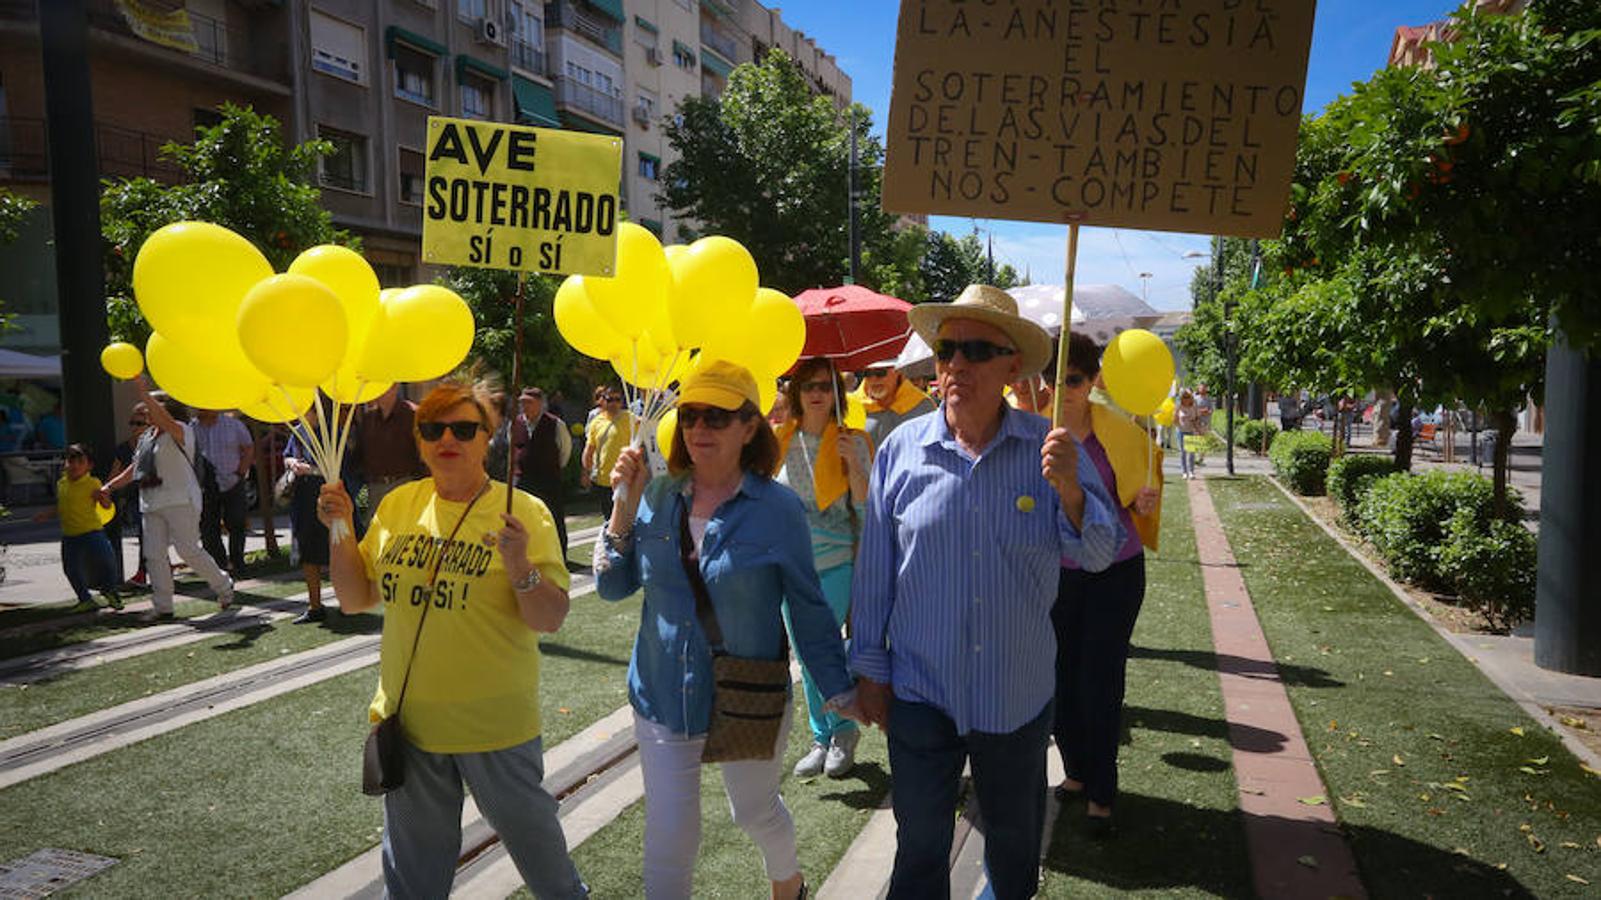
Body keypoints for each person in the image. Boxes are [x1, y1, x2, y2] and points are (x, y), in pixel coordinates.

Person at [850, 284, 1122, 900]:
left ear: (1011, 367)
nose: (957, 365)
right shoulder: (900, 451)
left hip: (1015, 693)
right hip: (921, 688)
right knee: (919, 843)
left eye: (976, 350)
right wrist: (869, 666)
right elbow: (875, 571)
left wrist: (1073, 493)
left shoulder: (1050, 450)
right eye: (947, 349)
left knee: (1013, 840)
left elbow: (1100, 555)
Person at [595, 360, 861, 900]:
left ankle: (789, 884)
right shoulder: (659, 494)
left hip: (747, 694)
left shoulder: (777, 507)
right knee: (671, 837)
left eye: (717, 417)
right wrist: (622, 506)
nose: (699, 429)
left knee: (755, 812)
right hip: (663, 695)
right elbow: (612, 587)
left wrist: (838, 688)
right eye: (691, 415)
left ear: (748, 427)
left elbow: (809, 609)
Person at [319, 379, 587, 899]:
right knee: (413, 884)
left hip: (495, 729)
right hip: (409, 725)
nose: (448, 439)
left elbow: (549, 618)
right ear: (419, 440)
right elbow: (355, 597)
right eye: (433, 428)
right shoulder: (398, 506)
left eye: (464, 429)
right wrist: (342, 528)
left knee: (549, 874)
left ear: (489, 438)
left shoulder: (523, 511)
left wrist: (518, 565)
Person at [1048, 333, 1162, 839]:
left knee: (1099, 680)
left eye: (1073, 379)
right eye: (1054, 378)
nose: (1063, 389)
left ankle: (1102, 790)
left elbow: (1143, 494)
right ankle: (1075, 770)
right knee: (1058, 679)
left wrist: (1146, 500)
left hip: (1114, 574)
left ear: (1092, 381)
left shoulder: (1120, 432)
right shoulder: (1032, 432)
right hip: (1056, 576)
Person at [774, 358, 871, 779]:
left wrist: (854, 466)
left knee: (822, 649)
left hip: (837, 562)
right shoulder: (778, 440)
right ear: (796, 392)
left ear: (837, 393)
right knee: (804, 652)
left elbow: (868, 511)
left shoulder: (855, 440)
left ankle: (843, 730)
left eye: (825, 385)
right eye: (807, 385)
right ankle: (822, 734)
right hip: (790, 566)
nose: (816, 393)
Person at [98, 379, 234, 620]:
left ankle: (224, 586)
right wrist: (108, 487)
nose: (146, 413)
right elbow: (133, 469)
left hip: (181, 500)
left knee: (188, 551)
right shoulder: (146, 438)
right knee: (153, 554)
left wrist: (141, 389)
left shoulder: (182, 430)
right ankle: (163, 607)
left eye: (152, 409)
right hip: (151, 503)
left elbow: (164, 419)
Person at [35, 444, 122, 611]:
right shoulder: (62, 483)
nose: (74, 465)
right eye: (70, 461)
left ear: (89, 466)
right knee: (71, 568)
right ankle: (85, 599)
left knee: (107, 561)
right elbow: (62, 506)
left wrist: (103, 498)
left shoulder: (93, 483)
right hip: (70, 535)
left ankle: (110, 590)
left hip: (93, 532)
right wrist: (46, 514)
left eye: (80, 462)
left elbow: (106, 506)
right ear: (65, 463)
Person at [510, 387, 572, 556]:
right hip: (523, 480)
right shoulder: (516, 424)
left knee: (554, 518)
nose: (525, 406)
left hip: (548, 480)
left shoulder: (555, 424)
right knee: (523, 519)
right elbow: (512, 449)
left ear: (540, 403)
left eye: (529, 402)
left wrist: (553, 468)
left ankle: (560, 555)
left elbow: (565, 450)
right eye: (522, 402)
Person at [193, 409, 255, 575]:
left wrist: (241, 472)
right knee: (208, 528)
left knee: (237, 524)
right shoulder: (191, 428)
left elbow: (248, 448)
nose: (198, 409)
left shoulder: (233, 425)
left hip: (232, 482)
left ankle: (237, 563)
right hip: (205, 486)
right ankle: (219, 566)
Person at [353, 386, 425, 519]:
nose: (378, 392)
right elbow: (359, 456)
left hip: (405, 486)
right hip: (375, 489)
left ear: (394, 387)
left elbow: (425, 457)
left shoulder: (413, 415)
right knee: (378, 535)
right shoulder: (368, 420)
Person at [284, 433, 332, 624]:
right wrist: (292, 463)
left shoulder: (329, 430)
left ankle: (347, 602)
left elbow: (337, 468)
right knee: (307, 553)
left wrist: (310, 470)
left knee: (334, 551)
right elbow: (286, 455)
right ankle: (315, 606)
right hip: (301, 501)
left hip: (327, 497)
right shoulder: (297, 430)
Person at [107, 404, 149, 587]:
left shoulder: (157, 444)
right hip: (136, 498)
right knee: (145, 535)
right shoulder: (124, 448)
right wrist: (106, 490)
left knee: (153, 537)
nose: (134, 427)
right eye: (132, 422)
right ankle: (144, 572)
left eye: (139, 423)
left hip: (158, 496)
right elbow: (115, 473)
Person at [856, 358, 935, 450]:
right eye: (867, 374)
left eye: (880, 373)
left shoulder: (922, 406)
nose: (874, 379)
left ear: (898, 371)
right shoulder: (851, 406)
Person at [581, 387, 632, 522]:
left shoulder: (630, 418)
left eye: (617, 400)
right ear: (603, 401)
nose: (614, 403)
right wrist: (585, 472)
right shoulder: (596, 422)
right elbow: (589, 449)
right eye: (610, 400)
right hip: (604, 480)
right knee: (609, 519)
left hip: (626, 478)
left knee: (627, 518)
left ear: (622, 402)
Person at [1175, 389, 1202, 479]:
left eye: (1188, 397)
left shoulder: (1194, 406)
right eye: (1184, 397)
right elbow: (1174, 419)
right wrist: (1179, 422)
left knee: (1191, 453)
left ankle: (1191, 472)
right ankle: (1184, 472)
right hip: (1181, 431)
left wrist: (1198, 430)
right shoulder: (1179, 407)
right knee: (1183, 452)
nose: (1186, 399)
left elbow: (1197, 418)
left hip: (1191, 430)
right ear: (1181, 398)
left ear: (1191, 398)